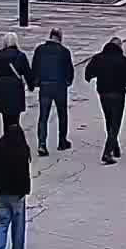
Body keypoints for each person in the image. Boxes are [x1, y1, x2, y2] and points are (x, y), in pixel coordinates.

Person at [83, 37, 126, 164]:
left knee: (109, 120)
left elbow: (88, 73)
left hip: (103, 93)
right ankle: (107, 152)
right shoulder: (123, 60)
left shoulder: (98, 58)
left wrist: (92, 77)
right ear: (119, 46)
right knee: (116, 123)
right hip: (118, 94)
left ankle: (115, 147)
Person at [28, 28, 74, 156]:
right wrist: (68, 81)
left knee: (43, 116)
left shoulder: (40, 50)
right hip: (59, 86)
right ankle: (62, 141)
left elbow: (35, 67)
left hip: (45, 86)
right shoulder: (64, 51)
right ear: (59, 37)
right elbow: (69, 70)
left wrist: (35, 82)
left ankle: (42, 144)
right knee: (62, 114)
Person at [0, 33, 34, 130]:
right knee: (15, 117)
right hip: (16, 87)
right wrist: (31, 86)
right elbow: (27, 72)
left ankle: (7, 138)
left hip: (2, 87)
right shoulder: (21, 55)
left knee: (5, 117)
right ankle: (14, 138)